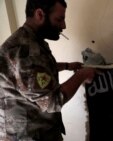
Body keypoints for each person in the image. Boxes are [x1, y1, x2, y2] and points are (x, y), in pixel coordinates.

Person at [0, 0, 95, 140]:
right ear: (39, 14)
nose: (64, 25)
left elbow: (36, 72)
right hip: (30, 136)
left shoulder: (28, 41)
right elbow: (53, 102)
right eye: (59, 19)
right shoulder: (25, 51)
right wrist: (82, 74)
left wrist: (68, 66)